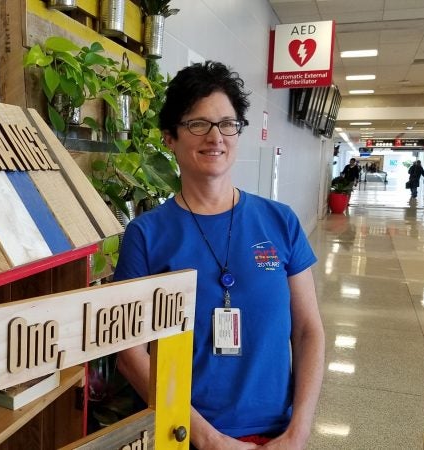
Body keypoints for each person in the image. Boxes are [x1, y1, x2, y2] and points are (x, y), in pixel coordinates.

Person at [114, 61, 325, 450]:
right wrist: (208, 439)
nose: (216, 137)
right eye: (198, 124)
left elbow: (309, 330)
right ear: (169, 139)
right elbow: (130, 355)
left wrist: (298, 432)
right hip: (184, 435)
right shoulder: (146, 235)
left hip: (277, 433)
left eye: (227, 124)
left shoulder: (279, 222)